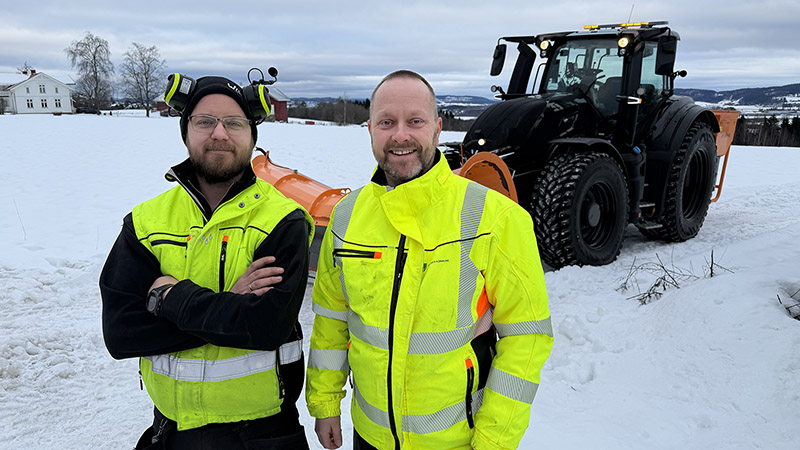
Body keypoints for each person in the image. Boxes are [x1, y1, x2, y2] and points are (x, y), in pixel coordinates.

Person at [305, 70, 554, 450]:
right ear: (370, 129)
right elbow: (332, 320)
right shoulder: (346, 216)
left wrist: (493, 441)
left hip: (458, 441)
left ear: (438, 128)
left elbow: (527, 339)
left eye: (415, 121)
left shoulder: (497, 219)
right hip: (369, 437)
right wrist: (325, 403)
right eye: (387, 122)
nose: (400, 135)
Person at [100, 75, 313, 449]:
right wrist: (231, 305)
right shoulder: (146, 222)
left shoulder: (284, 221)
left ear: (251, 136)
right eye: (204, 121)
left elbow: (265, 327)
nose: (219, 133)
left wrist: (168, 300)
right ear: (186, 133)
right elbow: (121, 333)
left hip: (264, 433)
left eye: (234, 123)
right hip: (170, 431)